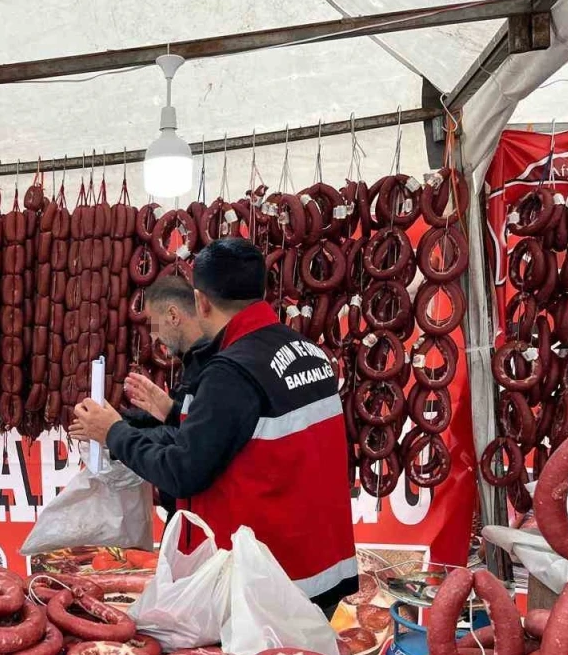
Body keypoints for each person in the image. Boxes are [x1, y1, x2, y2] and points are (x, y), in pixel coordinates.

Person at [70, 238, 357, 614]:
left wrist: (113, 432)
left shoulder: (231, 371)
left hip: (270, 587)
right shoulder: (309, 352)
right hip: (320, 571)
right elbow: (249, 436)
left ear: (200, 301)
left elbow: (182, 472)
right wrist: (175, 413)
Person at [118, 276, 212, 518]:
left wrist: (113, 433)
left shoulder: (215, 367)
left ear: (172, 315)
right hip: (188, 513)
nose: (152, 337)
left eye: (152, 323)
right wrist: (169, 411)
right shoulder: (194, 361)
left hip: (203, 518)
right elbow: (191, 423)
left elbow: (190, 443)